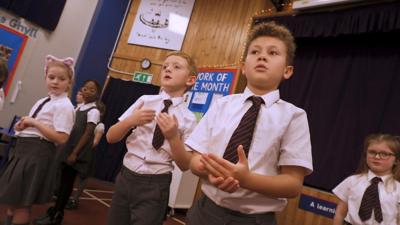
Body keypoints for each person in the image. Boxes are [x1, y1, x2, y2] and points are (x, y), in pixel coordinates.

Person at [184, 21, 313, 225]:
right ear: (243, 67)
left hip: (254, 220)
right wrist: (211, 171)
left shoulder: (294, 116)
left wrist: (246, 180)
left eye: (273, 53)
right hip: (205, 211)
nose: (262, 56)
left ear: (287, 71)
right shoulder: (221, 105)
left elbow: (292, 185)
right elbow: (194, 159)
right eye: (255, 52)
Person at [105, 51, 197, 225]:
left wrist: (173, 137)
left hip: (156, 183)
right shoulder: (144, 100)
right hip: (126, 176)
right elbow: (110, 137)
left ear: (190, 80)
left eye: (176, 67)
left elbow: (185, 165)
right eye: (165, 66)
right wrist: (130, 121)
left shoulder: (189, 118)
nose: (168, 69)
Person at [0, 55, 75, 225]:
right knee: (13, 200)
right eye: (51, 77)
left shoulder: (65, 106)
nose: (55, 82)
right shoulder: (44, 100)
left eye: (61, 79)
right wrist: (23, 126)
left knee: (23, 204)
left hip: (37, 154)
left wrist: (34, 122)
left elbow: (62, 138)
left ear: (69, 82)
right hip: (23, 151)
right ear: (45, 78)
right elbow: (38, 126)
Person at [33, 79, 101, 225]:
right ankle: (55, 210)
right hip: (68, 148)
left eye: (92, 90)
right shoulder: (79, 108)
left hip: (76, 152)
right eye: (85, 88)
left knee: (67, 184)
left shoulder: (93, 111)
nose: (87, 91)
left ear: (98, 94)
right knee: (62, 182)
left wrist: (74, 153)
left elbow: (88, 133)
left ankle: (57, 214)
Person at [333, 134, 400, 225]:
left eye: (384, 154)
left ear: (396, 160)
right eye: (372, 152)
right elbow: (340, 213)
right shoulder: (352, 181)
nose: (376, 157)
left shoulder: (398, 189)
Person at [65, 101, 106, 210]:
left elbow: (95, 142)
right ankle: (65, 196)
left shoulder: (100, 126)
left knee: (82, 177)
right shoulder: (86, 121)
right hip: (79, 150)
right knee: (70, 175)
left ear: (100, 113)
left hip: (87, 153)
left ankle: (75, 199)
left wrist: (82, 147)